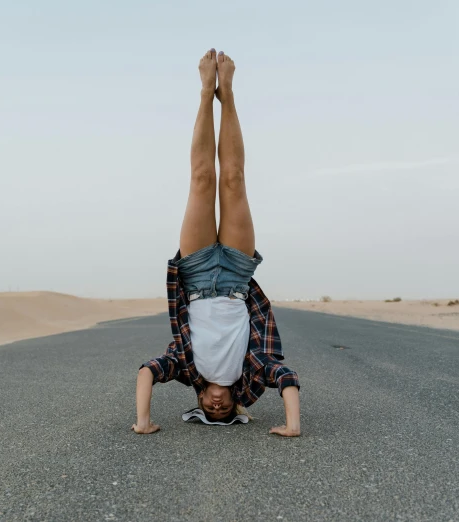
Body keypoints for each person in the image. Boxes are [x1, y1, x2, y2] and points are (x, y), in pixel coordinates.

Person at [133, 49, 301, 437]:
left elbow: (146, 372)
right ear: (234, 406)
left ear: (200, 401)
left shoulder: (186, 365)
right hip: (237, 278)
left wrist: (143, 422)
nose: (216, 406)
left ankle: (206, 91)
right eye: (224, 412)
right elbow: (287, 376)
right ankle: (229, 93)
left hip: (195, 273)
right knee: (235, 180)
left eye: (209, 411)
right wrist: (292, 426)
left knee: (202, 179)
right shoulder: (251, 372)